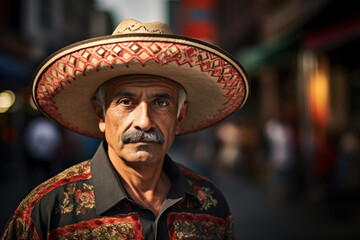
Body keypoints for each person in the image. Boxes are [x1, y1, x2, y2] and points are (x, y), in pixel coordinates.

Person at [1, 19, 249, 239]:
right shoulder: (47, 211)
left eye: (161, 103)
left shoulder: (211, 204)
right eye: (125, 102)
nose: (144, 121)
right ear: (100, 114)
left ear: (180, 117)